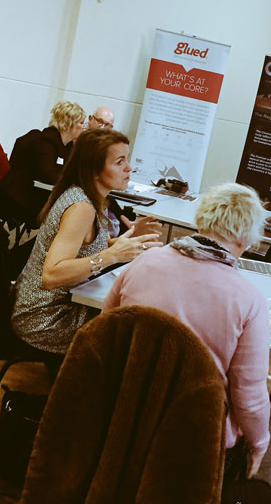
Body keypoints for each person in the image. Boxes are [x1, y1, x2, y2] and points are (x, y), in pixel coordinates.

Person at [103, 182, 271, 479]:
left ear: (201, 220)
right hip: (195, 430)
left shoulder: (142, 263)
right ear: (246, 239)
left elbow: (104, 333)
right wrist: (260, 443)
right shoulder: (249, 299)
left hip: (123, 406)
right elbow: (249, 393)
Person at [10, 129, 163, 365]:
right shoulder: (81, 207)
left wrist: (120, 242)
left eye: (127, 159)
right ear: (94, 169)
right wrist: (112, 254)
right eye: (119, 161)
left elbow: (83, 248)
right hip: (45, 319)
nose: (129, 168)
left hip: (50, 308)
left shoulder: (87, 197)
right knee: (132, 338)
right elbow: (51, 275)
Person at [0, 101, 88, 276]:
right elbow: (47, 173)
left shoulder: (68, 146)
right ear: (68, 123)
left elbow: (68, 172)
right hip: (20, 198)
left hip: (38, 195)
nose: (83, 126)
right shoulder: (44, 142)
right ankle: (22, 263)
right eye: (80, 122)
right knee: (62, 219)